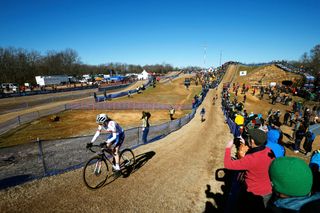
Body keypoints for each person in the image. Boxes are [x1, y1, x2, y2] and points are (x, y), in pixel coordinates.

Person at [224, 129, 275, 211]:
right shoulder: (268, 150)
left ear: (252, 141)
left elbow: (228, 165)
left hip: (252, 193)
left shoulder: (251, 159)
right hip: (267, 191)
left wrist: (227, 148)